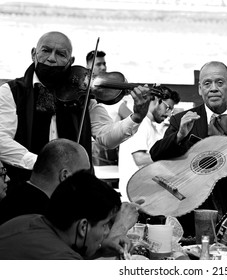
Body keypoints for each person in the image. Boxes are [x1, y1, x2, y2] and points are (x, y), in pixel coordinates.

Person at [0, 31, 150, 182]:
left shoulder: (81, 93)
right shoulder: (11, 92)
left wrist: (136, 117)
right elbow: (1, 140)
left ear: (70, 61)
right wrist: (39, 163)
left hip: (75, 190)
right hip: (27, 187)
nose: (52, 59)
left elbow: (106, 137)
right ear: (33, 53)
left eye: (60, 54)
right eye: (46, 51)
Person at [149, 61, 227, 236]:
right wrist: (179, 135)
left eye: (220, 82)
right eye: (207, 83)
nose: (214, 88)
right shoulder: (182, 120)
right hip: (190, 213)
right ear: (200, 88)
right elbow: (157, 155)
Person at [0, 171, 131, 259]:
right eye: (104, 225)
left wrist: (100, 250)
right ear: (83, 227)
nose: (106, 232)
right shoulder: (60, 256)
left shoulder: (28, 219)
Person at [0, 138, 90, 225]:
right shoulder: (49, 220)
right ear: (65, 176)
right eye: (83, 175)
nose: (88, 183)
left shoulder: (12, 198)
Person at [118, 85, 180, 200]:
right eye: (167, 107)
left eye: (172, 110)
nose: (169, 114)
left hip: (146, 194)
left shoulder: (151, 126)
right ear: (156, 100)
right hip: (136, 196)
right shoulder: (141, 124)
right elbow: (139, 158)